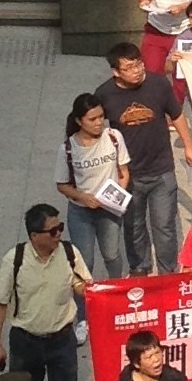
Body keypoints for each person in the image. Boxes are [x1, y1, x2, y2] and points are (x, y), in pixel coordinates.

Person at [0, 203, 92, 381]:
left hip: (63, 339)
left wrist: (81, 289)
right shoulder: (14, 260)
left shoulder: (69, 254)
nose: (59, 234)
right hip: (26, 341)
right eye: (53, 231)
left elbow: (83, 285)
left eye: (61, 228)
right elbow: (0, 303)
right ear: (34, 236)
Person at [99, 41, 188, 275]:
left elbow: (177, 116)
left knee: (164, 227)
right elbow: (94, 127)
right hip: (129, 175)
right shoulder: (104, 94)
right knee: (134, 226)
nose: (137, 70)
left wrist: (189, 146)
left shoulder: (158, 84)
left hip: (162, 170)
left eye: (138, 64)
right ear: (116, 72)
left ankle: (169, 272)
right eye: (129, 67)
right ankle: (140, 269)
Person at [57, 91, 131, 285]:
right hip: (81, 213)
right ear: (79, 121)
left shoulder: (114, 137)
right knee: (84, 262)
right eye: (92, 119)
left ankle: (117, 291)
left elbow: (123, 171)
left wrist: (118, 196)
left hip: (110, 210)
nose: (99, 122)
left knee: (112, 255)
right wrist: (83, 197)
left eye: (101, 117)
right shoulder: (68, 148)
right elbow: (62, 185)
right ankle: (84, 307)